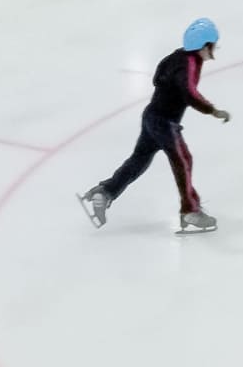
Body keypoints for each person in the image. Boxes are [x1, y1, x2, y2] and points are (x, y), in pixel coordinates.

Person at [78, 18, 231, 234]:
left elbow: (159, 75)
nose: (214, 50)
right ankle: (190, 211)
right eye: (212, 45)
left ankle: (105, 192)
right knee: (183, 161)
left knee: (139, 161)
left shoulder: (177, 56)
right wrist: (212, 110)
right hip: (165, 123)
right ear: (204, 46)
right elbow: (190, 93)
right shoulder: (189, 64)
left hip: (151, 116)